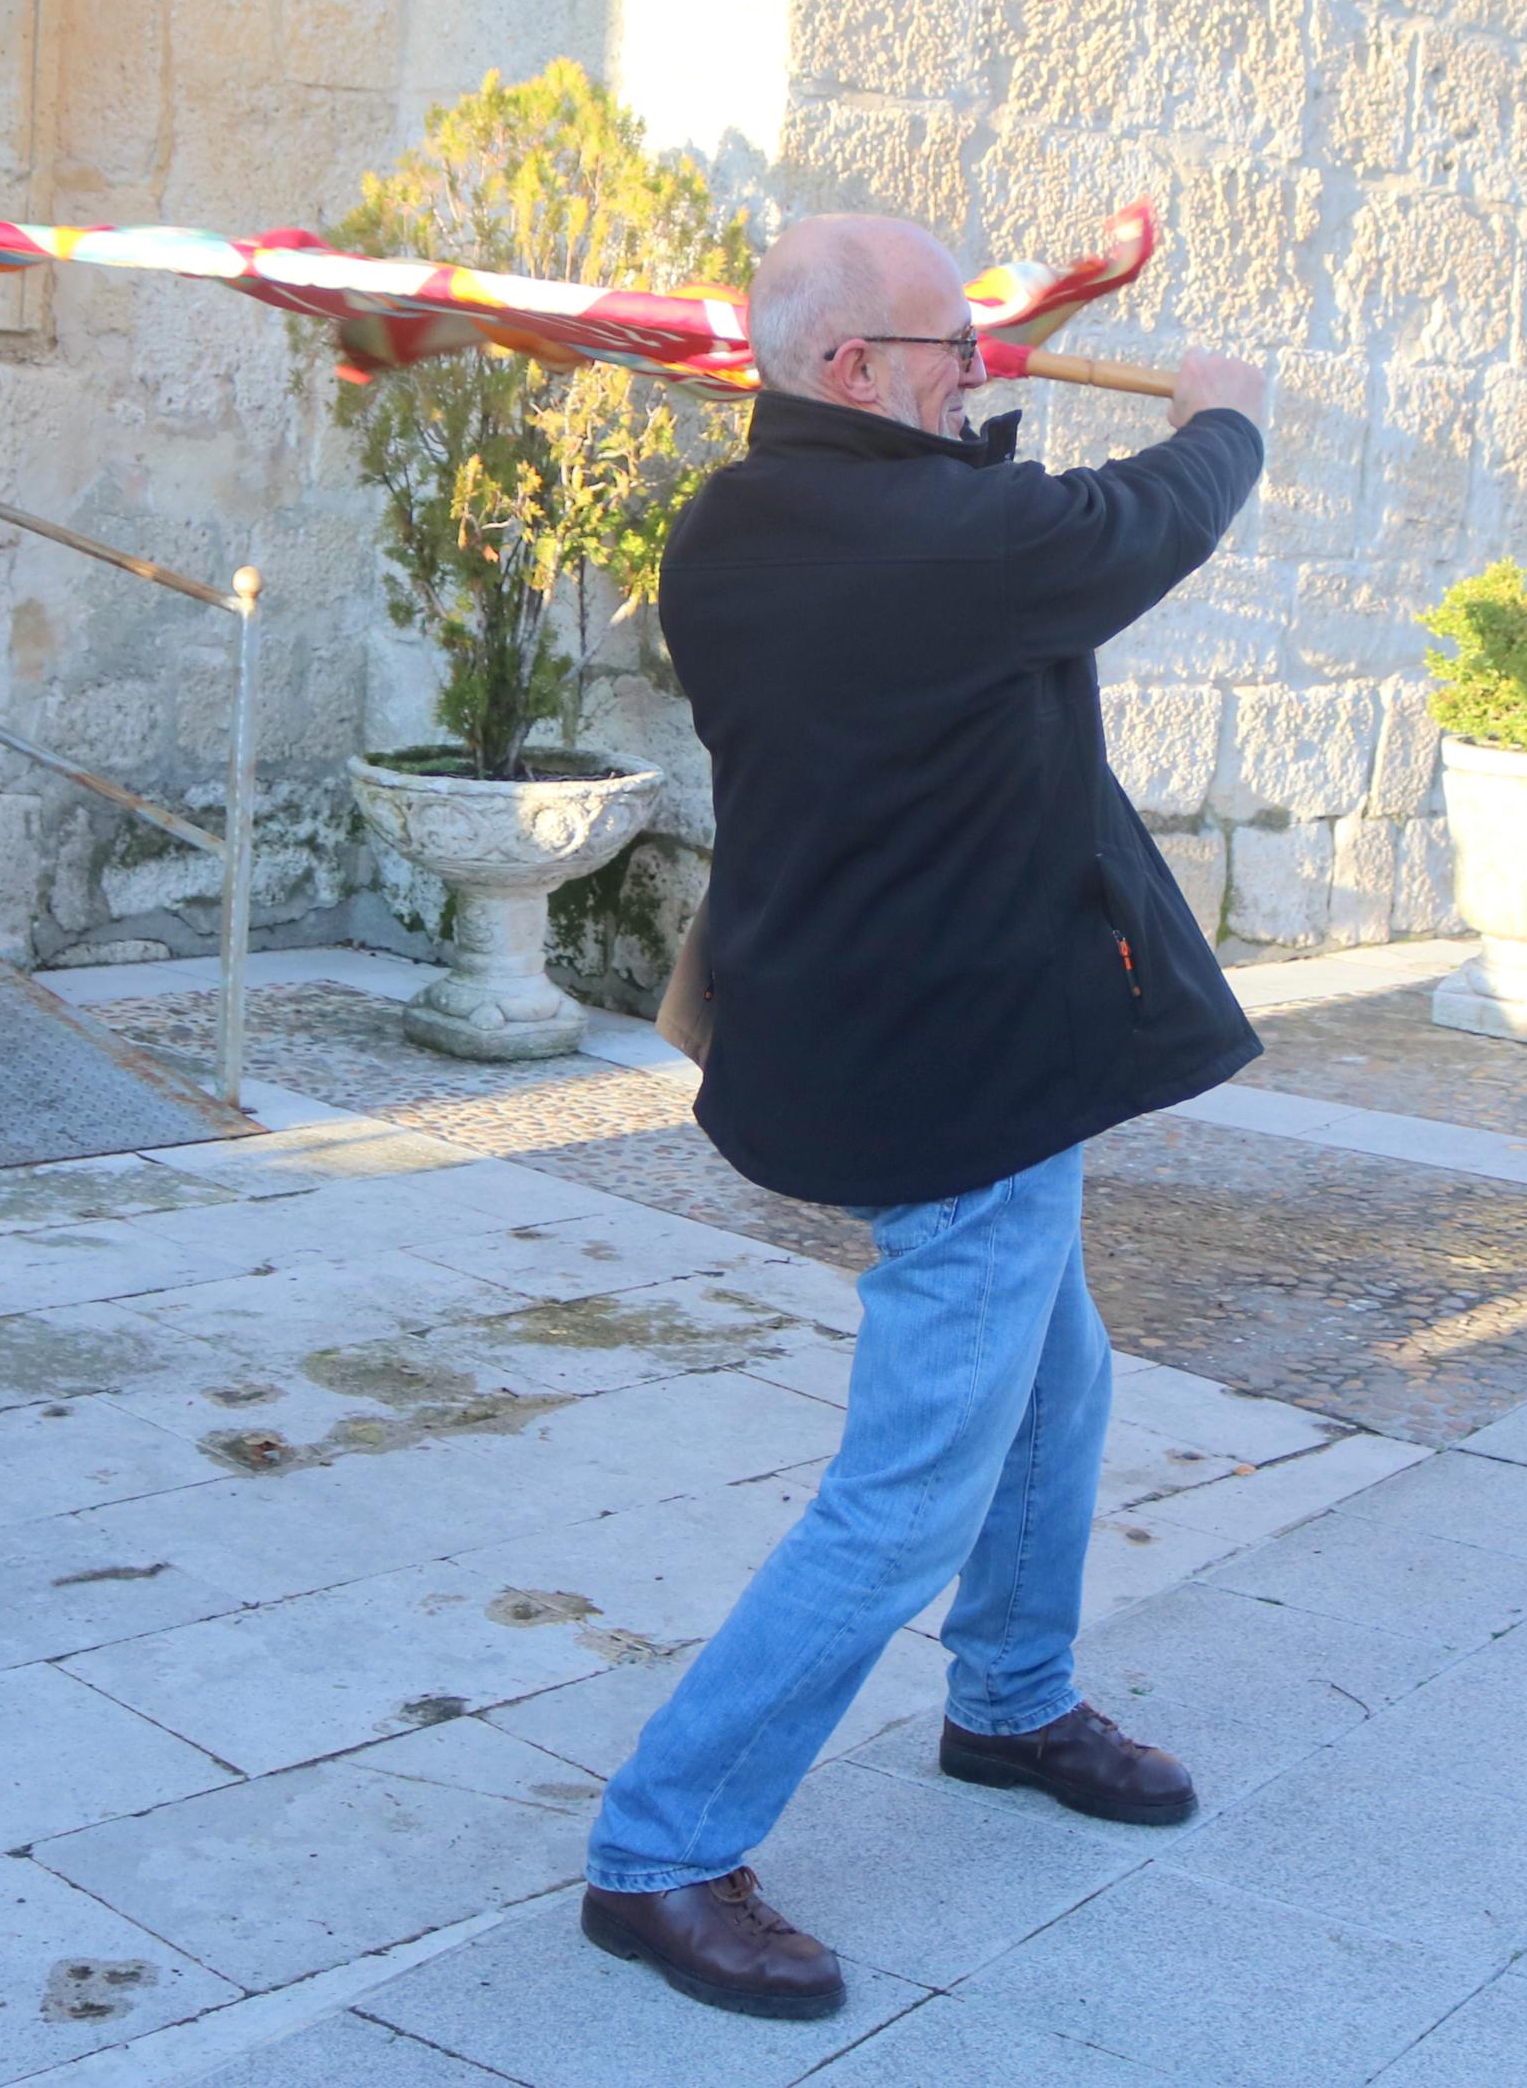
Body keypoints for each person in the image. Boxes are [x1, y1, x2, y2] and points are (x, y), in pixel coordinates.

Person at [576, 216, 1265, 2021]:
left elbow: (970, 535)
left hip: (903, 1031)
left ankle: (1011, 1700)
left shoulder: (748, 521)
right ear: (843, 372)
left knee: (1058, 1380)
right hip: (955, 1066)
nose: (975, 369)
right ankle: (659, 1851)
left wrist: (958, 413)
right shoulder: (929, 542)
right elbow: (1123, 531)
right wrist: (1221, 418)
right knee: (901, 1496)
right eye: (942, 347)